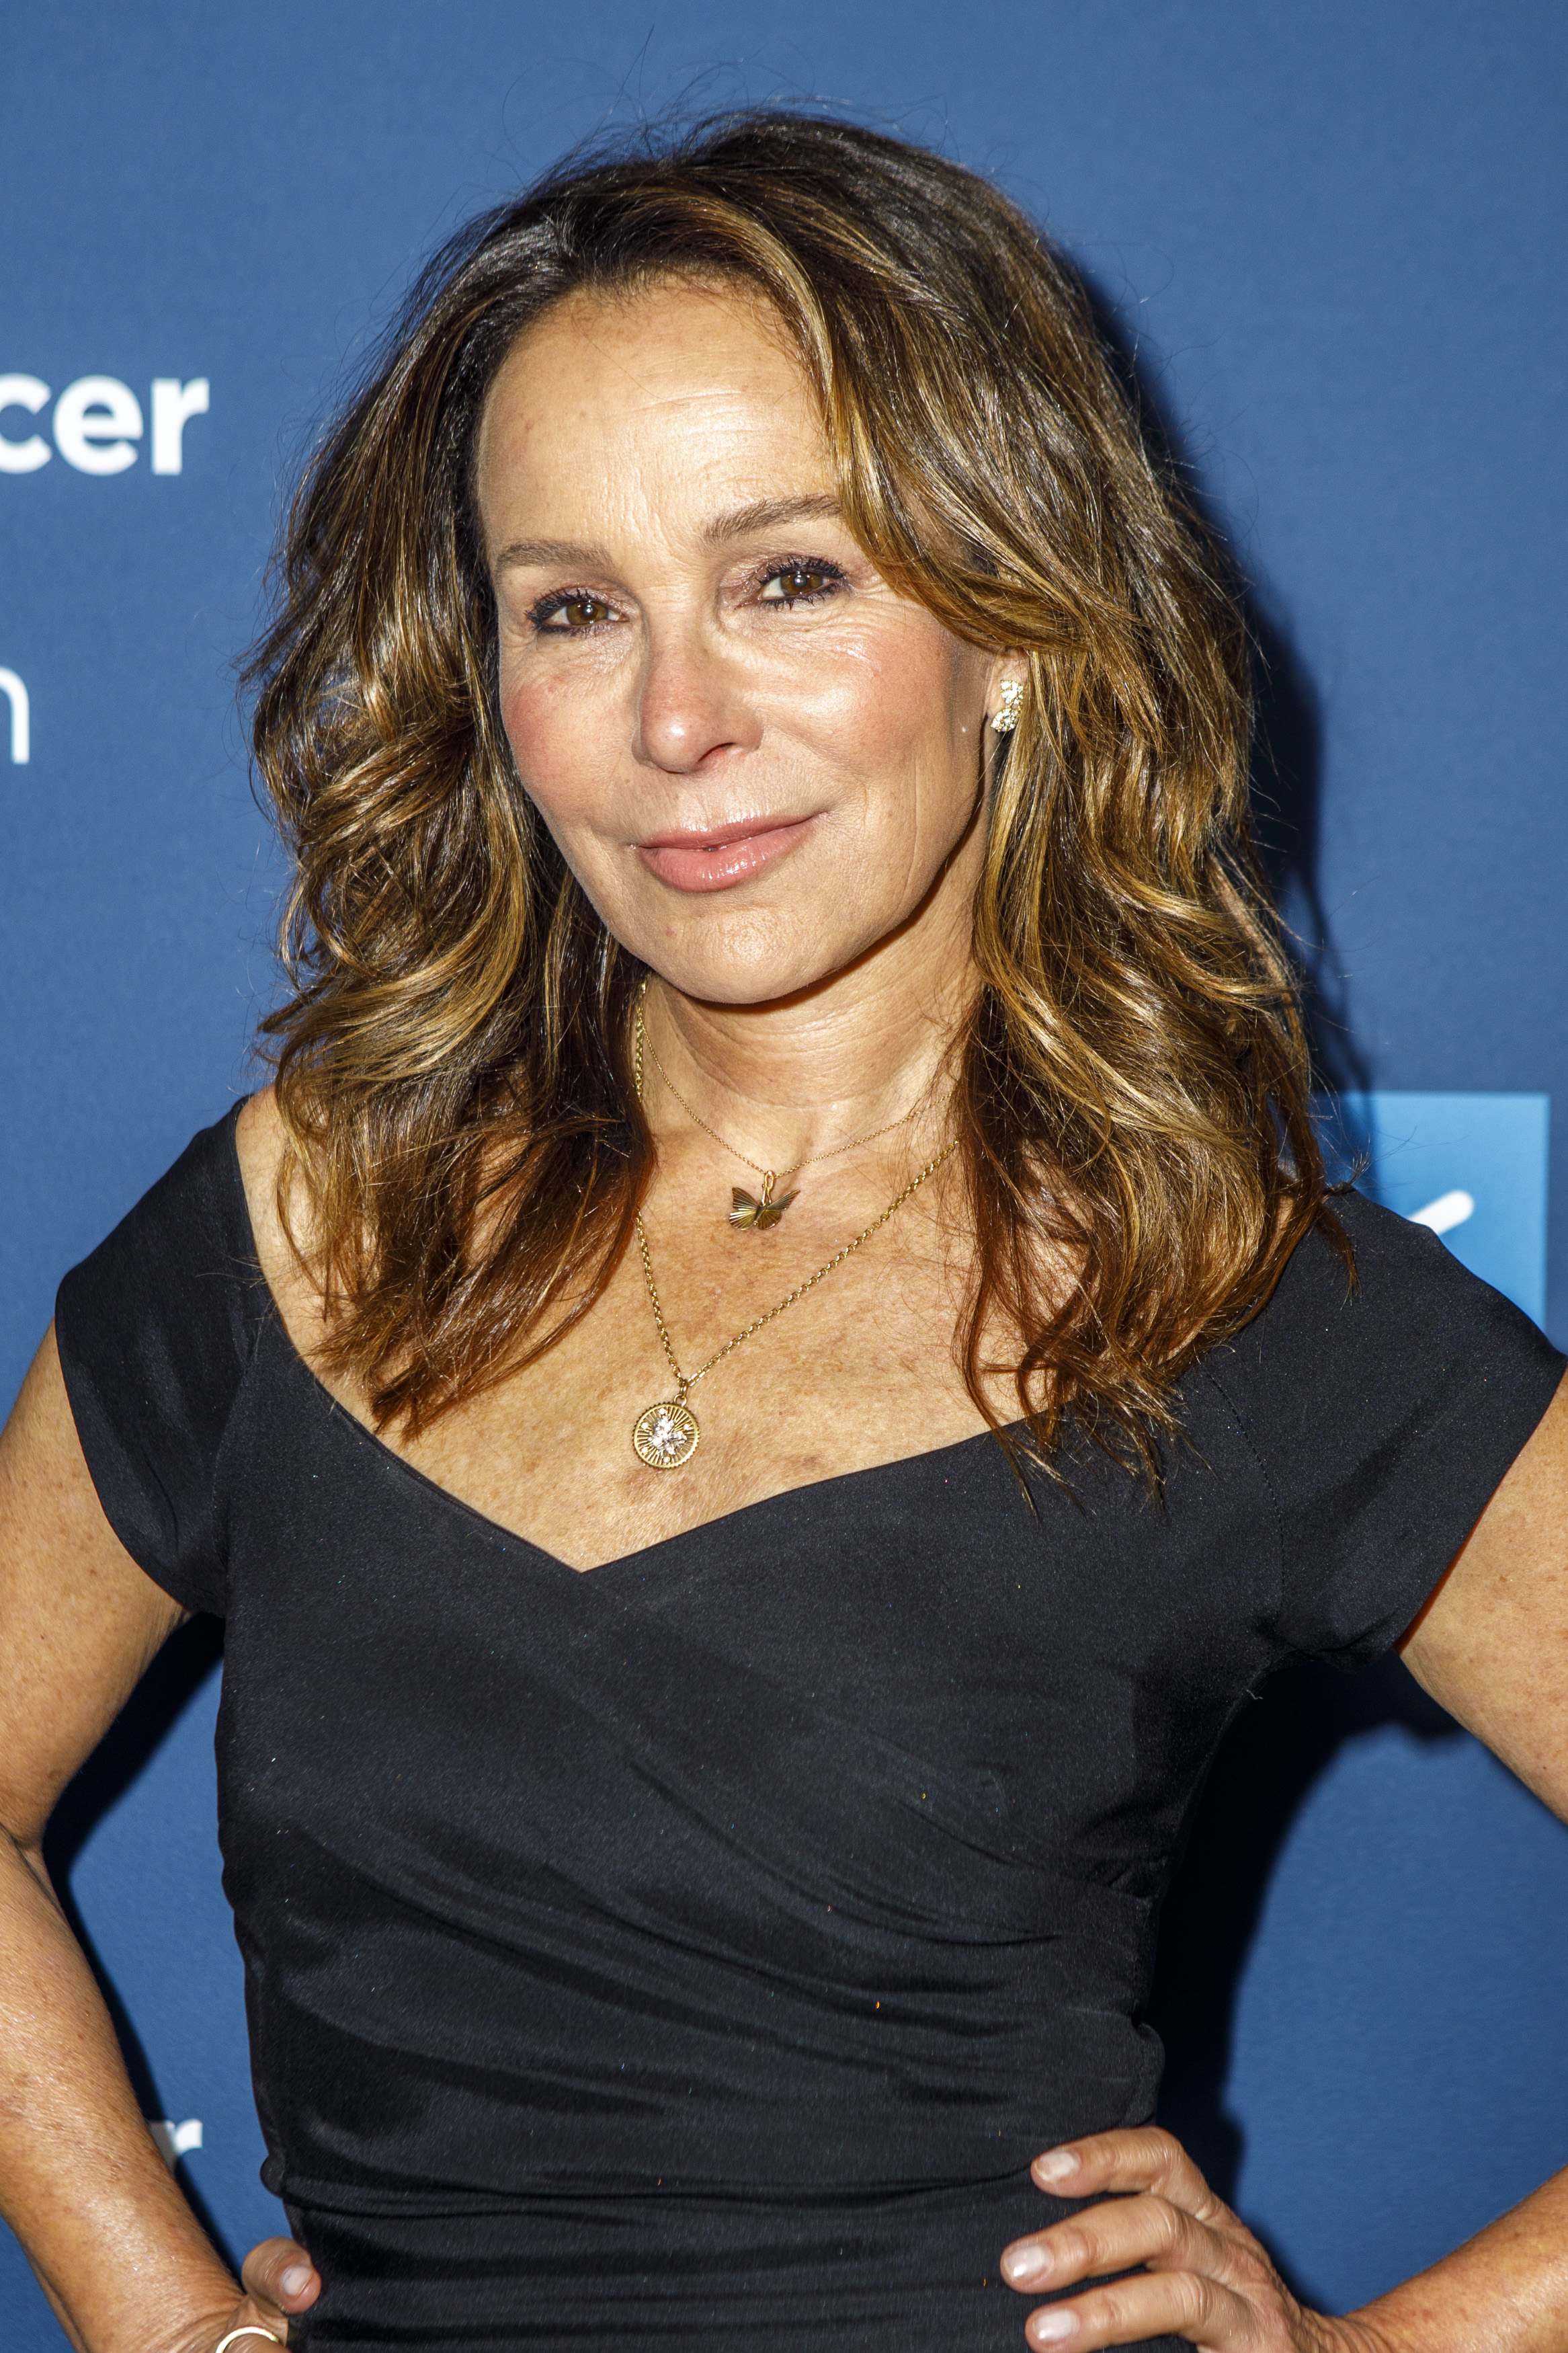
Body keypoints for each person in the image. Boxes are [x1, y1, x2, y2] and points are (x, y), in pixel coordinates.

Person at [0, 111, 1564, 2353]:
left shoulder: (1245, 1310)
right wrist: (153, 2314)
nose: (675, 722)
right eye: (573, 609)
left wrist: (1379, 2349)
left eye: (792, 577)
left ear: (1019, 629)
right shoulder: (302, 1216)